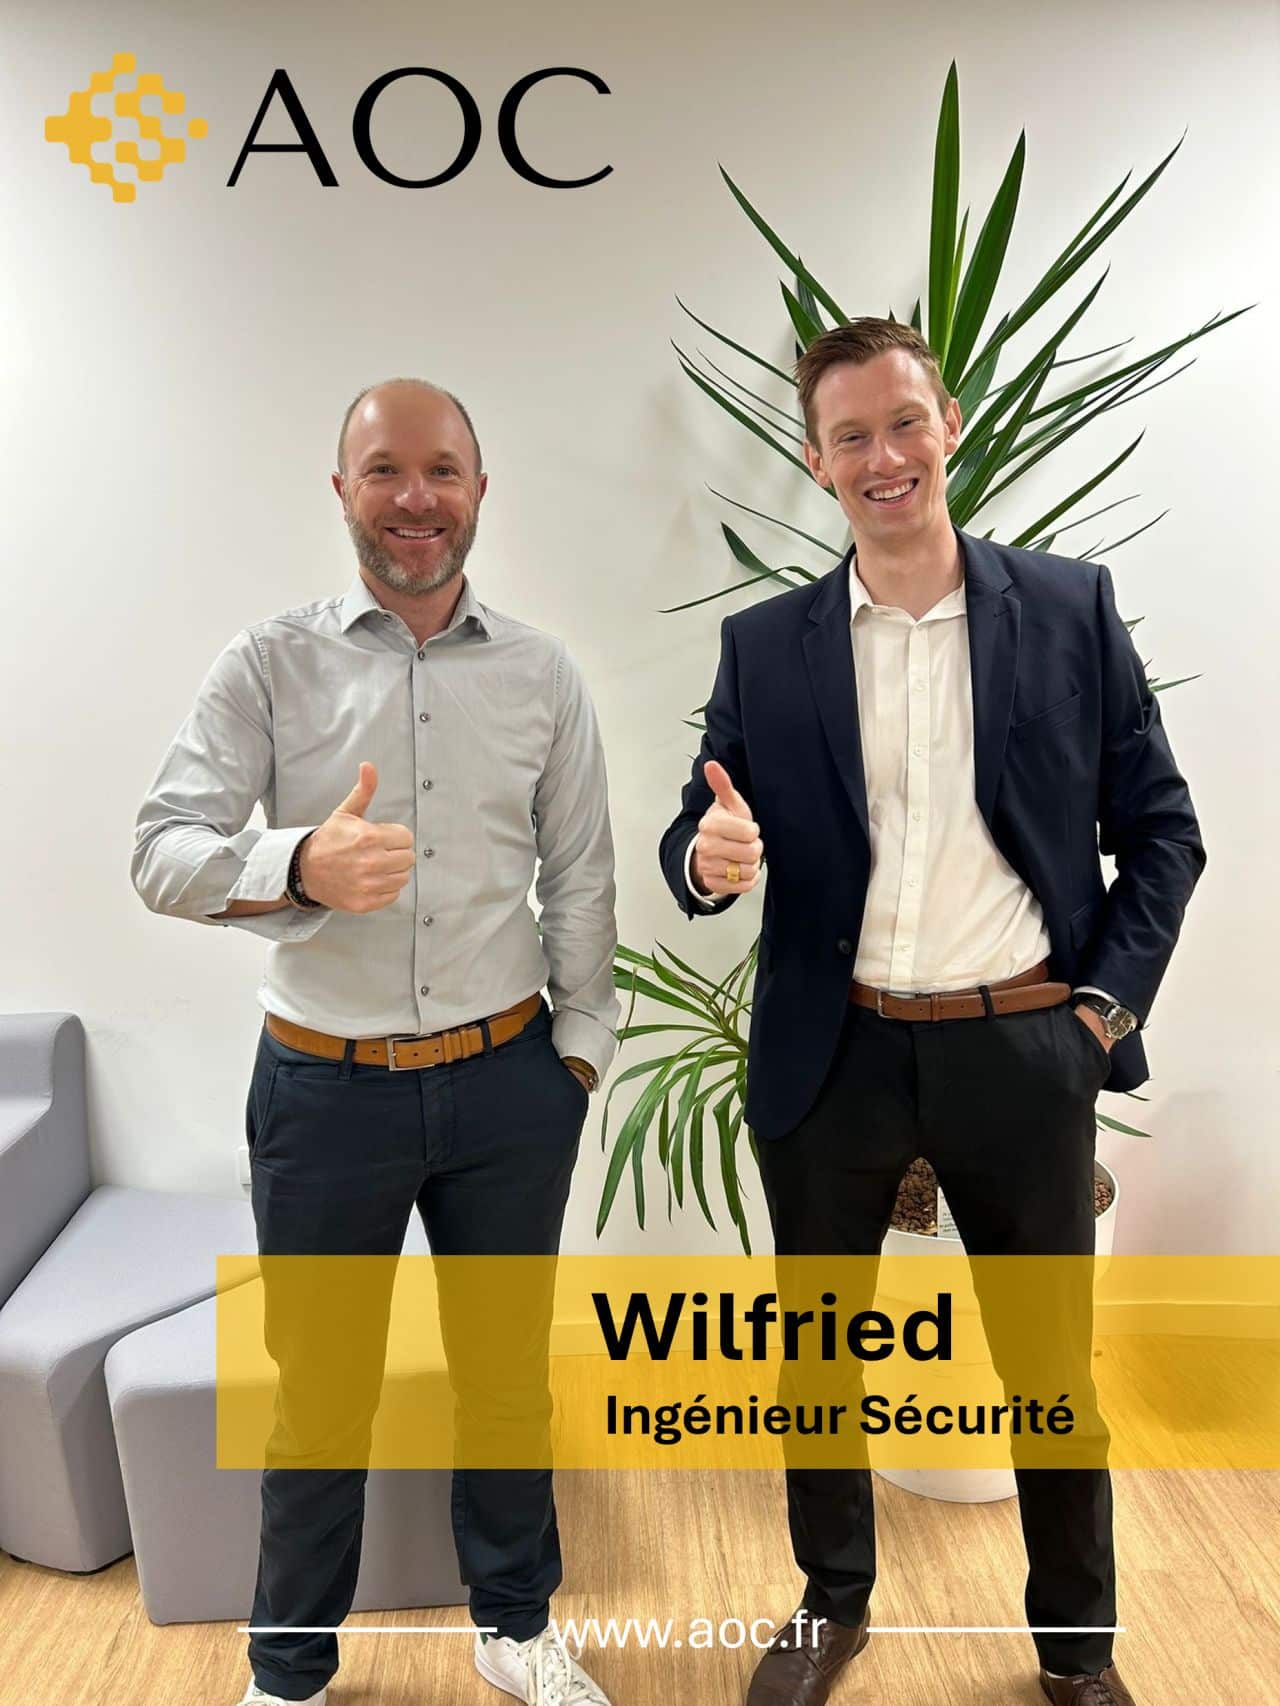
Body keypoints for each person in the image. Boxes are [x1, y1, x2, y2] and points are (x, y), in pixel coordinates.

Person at [659, 319, 1204, 1706]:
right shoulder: (765, 646)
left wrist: (1095, 1015)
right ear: (817, 459)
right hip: (831, 1049)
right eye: (851, 435)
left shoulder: (1068, 607)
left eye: (904, 422)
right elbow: (698, 823)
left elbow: (1162, 831)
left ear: (947, 423)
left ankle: (1077, 1650)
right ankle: (832, 1606)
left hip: (1022, 1044)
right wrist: (706, 860)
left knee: (1048, 1371)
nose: (883, 456)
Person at [133, 378, 620, 1706]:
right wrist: (298, 862)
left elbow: (581, 875)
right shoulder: (268, 664)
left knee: (506, 1382)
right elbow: (160, 850)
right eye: (387, 470)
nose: (417, 498)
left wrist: (576, 1057)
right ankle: (289, 1669)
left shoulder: (542, 674)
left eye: (442, 470)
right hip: (324, 1093)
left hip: (509, 1083)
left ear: (480, 488)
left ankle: (515, 1628)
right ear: (342, 489)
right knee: (320, 1395)